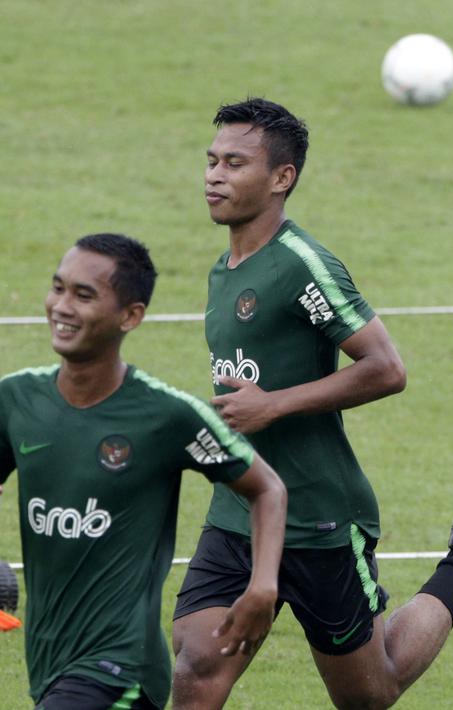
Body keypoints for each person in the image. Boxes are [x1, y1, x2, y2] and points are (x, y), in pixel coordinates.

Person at [171, 97, 453, 709]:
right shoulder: (223, 269)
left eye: (234, 163)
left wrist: (273, 406)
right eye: (211, 161)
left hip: (319, 518)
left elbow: (387, 368)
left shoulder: (304, 266)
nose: (214, 175)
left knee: (370, 693)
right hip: (242, 508)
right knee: (196, 668)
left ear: (282, 178)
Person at [0, 234, 287, 709]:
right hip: (51, 662)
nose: (62, 307)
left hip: (121, 670)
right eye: (58, 288)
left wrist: (262, 586)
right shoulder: (17, 402)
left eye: (84, 295)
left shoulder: (164, 415)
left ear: (130, 316)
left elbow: (267, 488)